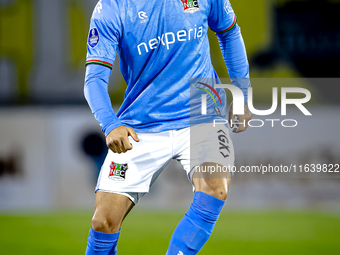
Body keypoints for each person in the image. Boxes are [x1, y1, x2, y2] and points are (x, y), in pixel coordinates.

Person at [84, 0, 253, 254]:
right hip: (140, 126)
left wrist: (242, 93)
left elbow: (229, 32)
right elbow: (94, 78)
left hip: (202, 113)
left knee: (215, 188)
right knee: (104, 222)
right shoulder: (113, 6)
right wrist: (110, 124)